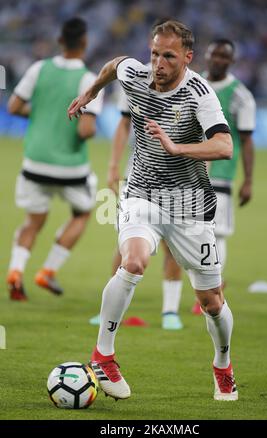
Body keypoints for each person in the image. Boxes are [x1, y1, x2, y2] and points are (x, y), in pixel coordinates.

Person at [68, 20, 238, 401]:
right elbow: (115, 64)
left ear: (188, 58)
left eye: (168, 56)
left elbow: (225, 146)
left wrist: (178, 149)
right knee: (132, 262)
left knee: (211, 301)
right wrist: (93, 91)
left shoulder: (201, 94)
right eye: (155, 53)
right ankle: (103, 357)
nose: (158, 63)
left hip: (188, 205)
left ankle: (223, 365)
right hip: (141, 193)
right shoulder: (138, 74)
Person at [7, 17, 103, 301]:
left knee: (32, 221)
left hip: (34, 163)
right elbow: (86, 129)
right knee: (82, 213)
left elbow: (14, 106)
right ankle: (48, 270)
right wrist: (83, 126)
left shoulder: (39, 69)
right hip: (70, 167)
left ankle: (15, 271)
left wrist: (40, 117)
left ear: (60, 41)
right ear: (84, 43)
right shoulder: (90, 80)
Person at [89, 86, 184, 330]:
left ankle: (170, 311)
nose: (159, 59)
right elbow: (123, 124)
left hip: (178, 181)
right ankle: (109, 310)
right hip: (138, 178)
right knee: (126, 241)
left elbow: (204, 138)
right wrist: (113, 165)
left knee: (173, 244)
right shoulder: (134, 83)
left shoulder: (192, 89)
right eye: (155, 51)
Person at [192, 39, 256, 314]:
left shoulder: (241, 96)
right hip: (190, 174)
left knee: (216, 235)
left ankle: (213, 292)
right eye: (213, 54)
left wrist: (249, 180)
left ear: (231, 62)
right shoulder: (191, 84)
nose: (217, 59)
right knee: (190, 236)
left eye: (223, 56)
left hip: (221, 177)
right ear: (205, 56)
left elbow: (247, 140)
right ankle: (204, 292)